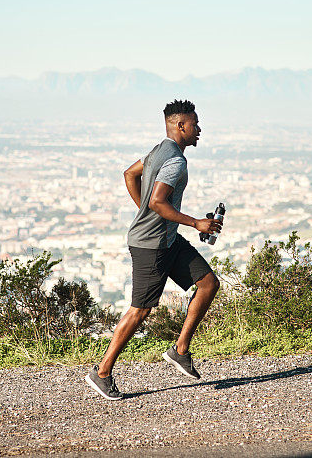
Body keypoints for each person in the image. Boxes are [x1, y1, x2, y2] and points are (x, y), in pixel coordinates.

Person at [85, 99, 223, 400]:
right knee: (141, 309)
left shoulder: (159, 151)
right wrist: (196, 223)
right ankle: (102, 372)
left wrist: (148, 214)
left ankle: (180, 350)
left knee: (208, 283)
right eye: (195, 123)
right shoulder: (175, 161)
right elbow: (157, 202)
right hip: (152, 245)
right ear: (181, 126)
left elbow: (129, 174)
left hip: (167, 239)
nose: (199, 129)